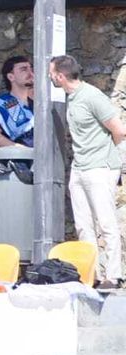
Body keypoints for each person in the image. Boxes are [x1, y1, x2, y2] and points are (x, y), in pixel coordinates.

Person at [53, 54, 126, 287]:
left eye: (51, 73)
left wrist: (107, 156)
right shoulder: (71, 97)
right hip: (80, 166)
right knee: (83, 225)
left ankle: (113, 275)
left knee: (106, 223)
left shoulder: (92, 96)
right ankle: (90, 274)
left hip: (100, 167)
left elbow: (118, 130)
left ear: (60, 76)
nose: (49, 77)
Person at [0, 54, 36, 148]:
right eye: (24, 69)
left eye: (31, 69)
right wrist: (24, 151)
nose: (31, 73)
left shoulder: (39, 105)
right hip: (17, 160)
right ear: (11, 77)